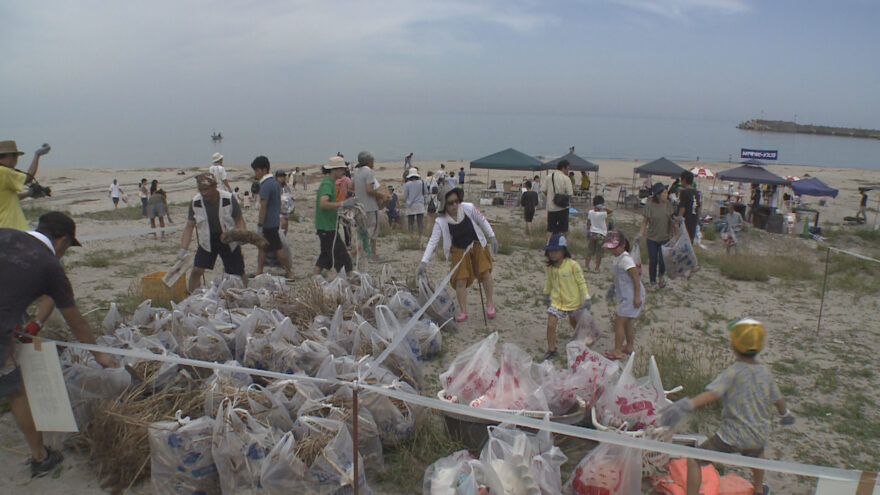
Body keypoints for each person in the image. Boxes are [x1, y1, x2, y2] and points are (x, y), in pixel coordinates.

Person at [0, 212, 117, 477]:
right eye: (67, 247)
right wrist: (99, 354)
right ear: (62, 240)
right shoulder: (49, 264)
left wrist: (33, 324)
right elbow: (75, 320)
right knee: (16, 392)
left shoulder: (5, 234)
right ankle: (40, 457)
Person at [659, 319, 794, 495]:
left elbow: (713, 393)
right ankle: (759, 489)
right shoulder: (765, 374)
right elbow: (778, 399)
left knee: (694, 460)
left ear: (733, 345)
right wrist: (785, 414)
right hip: (757, 435)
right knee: (758, 456)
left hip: (731, 436)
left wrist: (687, 404)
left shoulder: (733, 372)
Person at [417, 186, 498, 322]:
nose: (455, 204)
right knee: (460, 280)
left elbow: (482, 220)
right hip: (458, 249)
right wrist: (424, 262)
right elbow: (432, 241)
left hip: (476, 243)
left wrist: (492, 237)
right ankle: (463, 311)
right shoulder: (441, 221)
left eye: (456, 201)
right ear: (444, 205)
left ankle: (490, 304)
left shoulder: (469, 208)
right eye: (450, 203)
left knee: (485, 272)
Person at [179, 173, 247, 292]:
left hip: (228, 238)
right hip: (208, 240)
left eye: (206, 189)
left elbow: (239, 219)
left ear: (215, 186)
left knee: (238, 272)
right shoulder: (196, 202)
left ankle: (247, 293)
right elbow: (189, 227)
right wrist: (183, 249)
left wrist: (241, 234)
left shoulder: (228, 198)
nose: (204, 193)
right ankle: (192, 296)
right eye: (201, 190)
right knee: (197, 270)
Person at [541, 234, 589, 360]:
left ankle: (583, 342)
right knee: (551, 323)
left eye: (556, 250)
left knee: (575, 323)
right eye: (550, 251)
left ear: (563, 250)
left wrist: (586, 297)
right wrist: (546, 294)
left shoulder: (573, 265)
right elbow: (549, 282)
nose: (553, 254)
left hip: (573, 302)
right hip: (557, 302)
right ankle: (552, 349)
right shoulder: (550, 267)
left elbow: (581, 282)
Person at [602, 230, 644, 360]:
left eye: (615, 248)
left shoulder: (626, 259)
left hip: (632, 296)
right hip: (625, 295)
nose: (612, 251)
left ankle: (617, 350)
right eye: (610, 248)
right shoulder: (616, 258)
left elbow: (636, 278)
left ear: (623, 245)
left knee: (619, 322)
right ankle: (629, 346)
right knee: (627, 323)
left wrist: (637, 296)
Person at [252, 156, 294, 278]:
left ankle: (289, 272)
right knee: (262, 247)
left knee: (277, 248)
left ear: (263, 170)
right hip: (274, 221)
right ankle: (259, 271)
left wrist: (260, 224)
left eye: (257, 170)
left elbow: (263, 206)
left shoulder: (265, 185)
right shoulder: (275, 183)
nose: (256, 173)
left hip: (268, 223)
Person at [313, 156, 356, 276]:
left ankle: (313, 282)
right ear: (334, 170)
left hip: (328, 226)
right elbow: (323, 203)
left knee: (325, 258)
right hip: (327, 228)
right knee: (344, 260)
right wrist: (342, 204)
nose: (343, 171)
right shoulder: (327, 184)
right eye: (341, 169)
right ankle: (351, 285)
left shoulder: (331, 183)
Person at [0, 140, 50, 230]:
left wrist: (28, 194)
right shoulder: (3, 172)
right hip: (11, 228)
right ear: (10, 156)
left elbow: (8, 198)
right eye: (15, 156)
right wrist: (37, 155)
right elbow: (28, 177)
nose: (16, 160)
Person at [638, 182, 675, 289]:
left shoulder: (668, 205)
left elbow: (672, 222)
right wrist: (640, 234)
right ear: (658, 194)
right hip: (652, 238)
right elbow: (645, 222)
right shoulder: (650, 205)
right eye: (664, 192)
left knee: (663, 261)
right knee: (653, 260)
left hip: (664, 238)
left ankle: (661, 277)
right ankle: (653, 281)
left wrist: (674, 235)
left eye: (666, 192)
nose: (666, 194)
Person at [353, 151, 381, 262]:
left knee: (362, 231)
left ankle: (368, 255)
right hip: (370, 206)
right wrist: (380, 194)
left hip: (359, 207)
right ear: (369, 161)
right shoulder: (369, 172)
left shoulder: (357, 172)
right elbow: (369, 190)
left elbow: (352, 185)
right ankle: (361, 254)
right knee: (372, 232)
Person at [541, 159, 574, 241]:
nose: (568, 171)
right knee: (563, 230)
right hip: (562, 208)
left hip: (551, 207)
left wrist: (550, 197)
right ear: (563, 168)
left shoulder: (549, 177)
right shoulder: (566, 178)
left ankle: (548, 246)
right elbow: (570, 193)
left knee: (550, 230)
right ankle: (561, 246)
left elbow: (543, 190)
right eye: (567, 169)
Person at [585, 196, 612, 272]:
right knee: (599, 253)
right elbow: (610, 211)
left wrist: (588, 231)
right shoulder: (602, 214)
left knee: (590, 252)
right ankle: (596, 268)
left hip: (592, 233)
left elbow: (588, 222)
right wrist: (603, 207)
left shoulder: (590, 212)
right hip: (601, 234)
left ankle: (586, 266)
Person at [678, 170, 701, 243]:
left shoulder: (684, 192)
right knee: (690, 242)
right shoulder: (696, 192)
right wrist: (697, 221)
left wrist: (678, 221)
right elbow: (699, 208)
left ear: (684, 180)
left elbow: (682, 208)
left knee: (682, 243)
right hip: (693, 221)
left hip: (685, 221)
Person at [404, 169, 428, 238]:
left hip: (410, 205)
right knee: (420, 222)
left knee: (410, 222)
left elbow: (405, 195)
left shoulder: (407, 184)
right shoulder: (422, 183)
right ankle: (420, 237)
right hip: (420, 204)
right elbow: (425, 192)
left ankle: (411, 236)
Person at [276, 170, 293, 236]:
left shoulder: (286, 187)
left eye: (283, 176)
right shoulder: (275, 187)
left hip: (285, 210)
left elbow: (289, 198)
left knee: (285, 227)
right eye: (280, 176)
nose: (282, 178)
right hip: (277, 211)